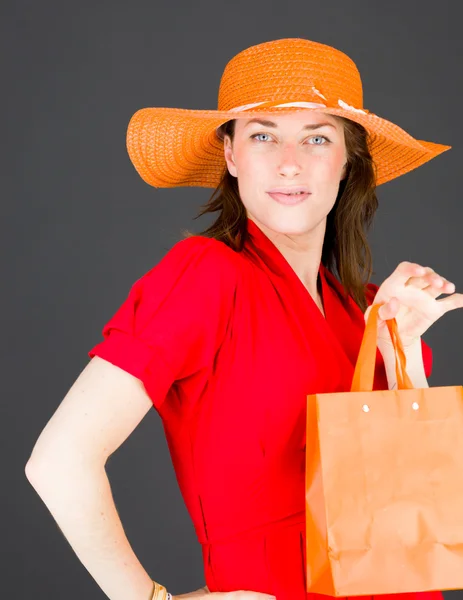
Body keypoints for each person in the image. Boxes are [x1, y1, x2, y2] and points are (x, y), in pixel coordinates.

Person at [25, 37, 462, 600]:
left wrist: (401, 351)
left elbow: (409, 504)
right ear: (231, 155)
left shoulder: (366, 309)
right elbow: (58, 461)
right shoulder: (207, 276)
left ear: (347, 159)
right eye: (262, 135)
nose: (289, 162)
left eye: (317, 138)